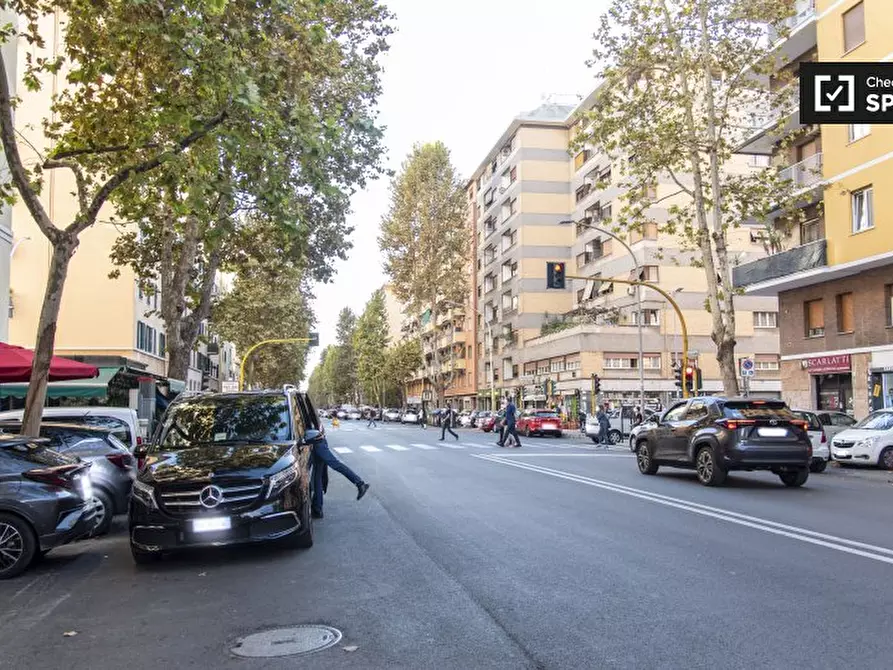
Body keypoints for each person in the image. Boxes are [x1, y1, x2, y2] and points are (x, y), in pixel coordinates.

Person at [311, 435, 369, 519]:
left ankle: (360, 484)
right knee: (317, 477)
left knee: (336, 465)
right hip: (315, 443)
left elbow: (313, 431)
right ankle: (317, 509)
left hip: (318, 444)